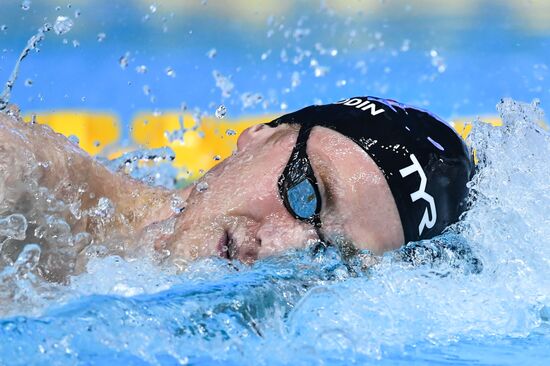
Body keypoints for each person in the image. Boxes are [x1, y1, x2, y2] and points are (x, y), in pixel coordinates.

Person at [0, 97, 474, 281]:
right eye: (307, 194)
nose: (282, 247)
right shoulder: (22, 181)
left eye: (331, 252)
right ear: (260, 135)